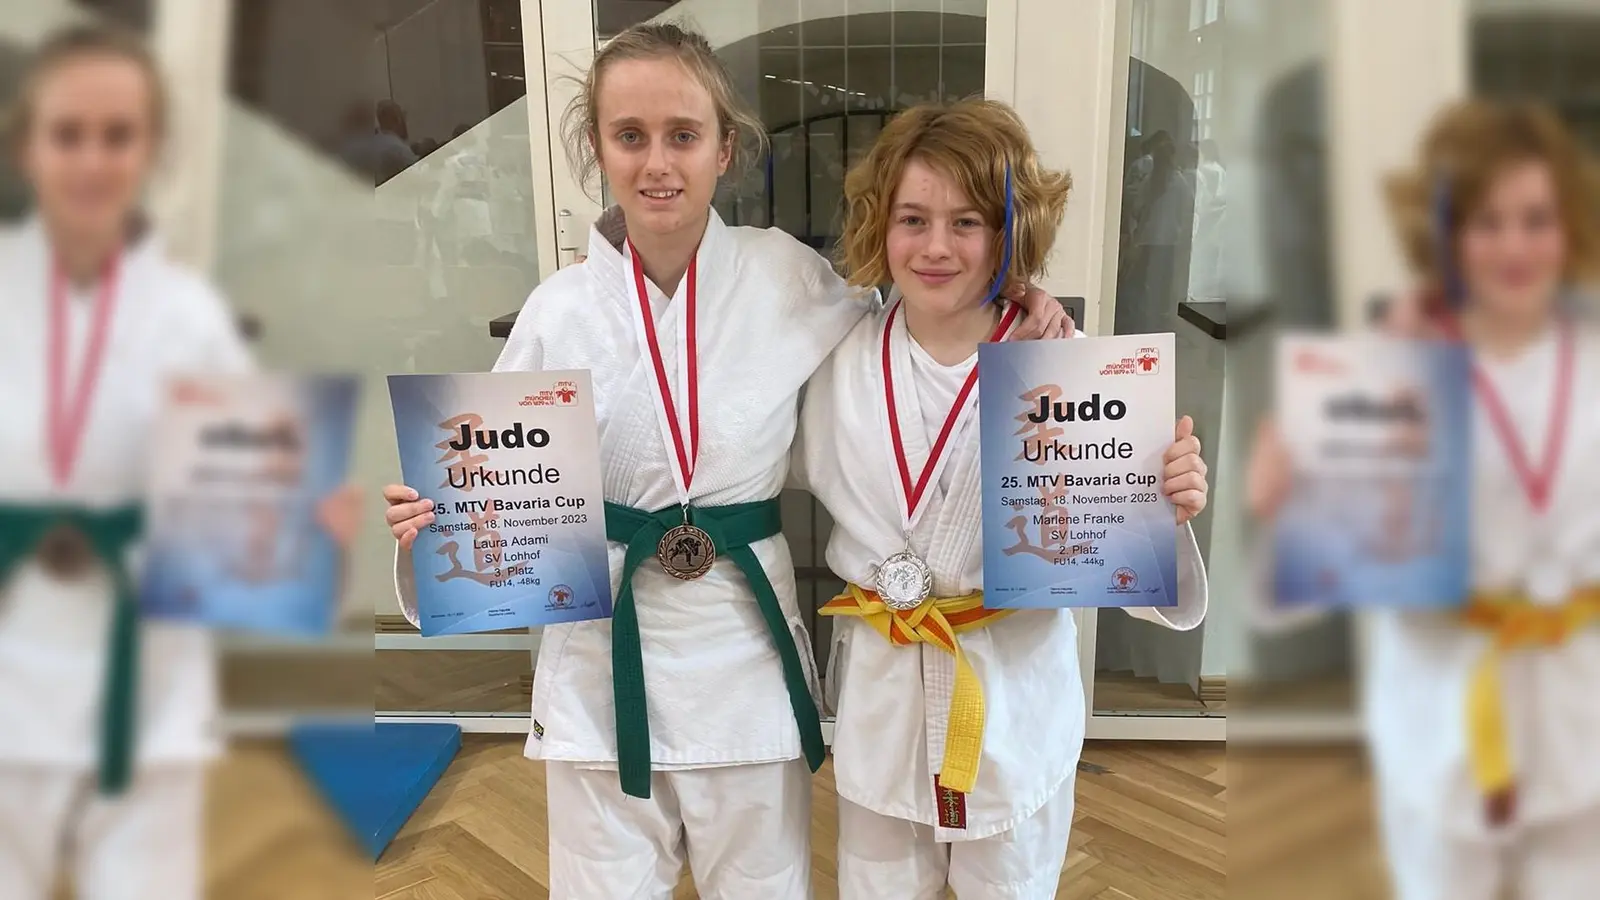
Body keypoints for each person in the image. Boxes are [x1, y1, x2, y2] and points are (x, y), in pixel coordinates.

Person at [381, 22, 1067, 900]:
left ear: (725, 148)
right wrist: (433, 522)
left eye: (683, 135)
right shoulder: (556, 311)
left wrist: (1016, 283)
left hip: (742, 656)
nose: (657, 162)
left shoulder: (787, 278)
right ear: (597, 148)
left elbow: (916, 313)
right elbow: (496, 486)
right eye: (630, 136)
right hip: (603, 656)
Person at [796, 98, 1211, 899]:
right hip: (885, 690)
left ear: (1011, 231)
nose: (937, 247)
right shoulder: (836, 361)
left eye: (969, 222)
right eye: (912, 219)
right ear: (881, 224)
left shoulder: (1069, 370)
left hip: (1013, 688)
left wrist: (1165, 506)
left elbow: (1113, 546)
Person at [0, 25, 361, 900]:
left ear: (152, 149)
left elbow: (242, 490)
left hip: (148, 668)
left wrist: (306, 528)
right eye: (68, 134)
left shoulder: (189, 315)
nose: (93, 160)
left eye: (118, 136)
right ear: (24, 145)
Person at [1248, 99, 1600, 900]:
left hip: (1583, 707)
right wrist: (1288, 507)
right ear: (1444, 231)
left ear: (1569, 224)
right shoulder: (1384, 375)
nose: (1515, 246)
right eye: (1487, 220)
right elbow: (1302, 594)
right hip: (1440, 705)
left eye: (1536, 218)